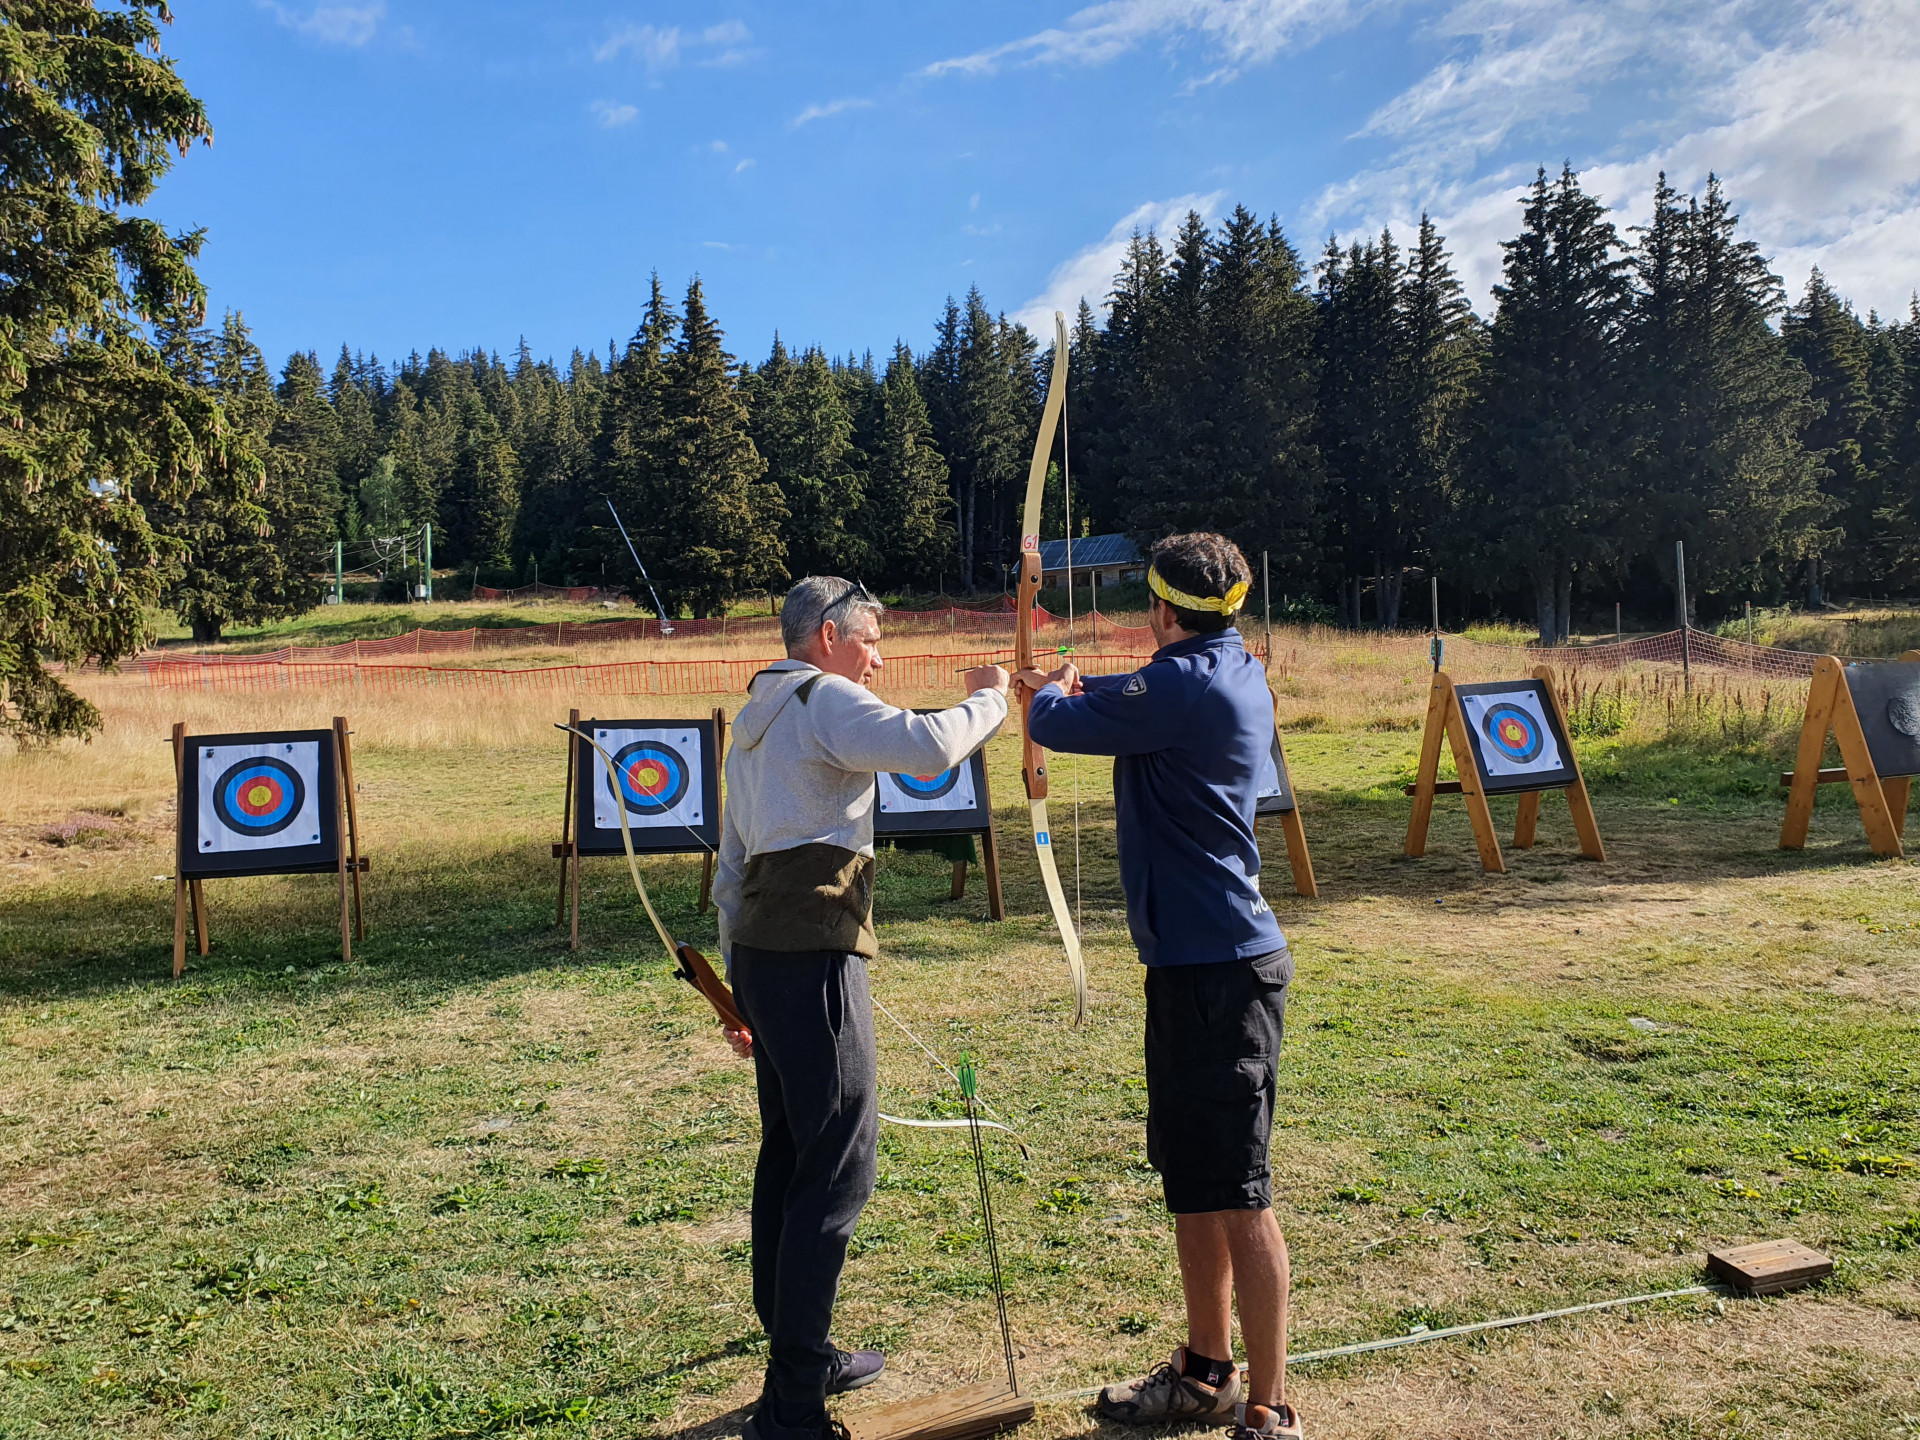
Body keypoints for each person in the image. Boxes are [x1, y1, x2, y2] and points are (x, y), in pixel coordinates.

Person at [1016, 533, 1303, 1440]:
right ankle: (1205, 1369)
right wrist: (1063, 686)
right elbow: (1114, 698)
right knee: (1193, 1178)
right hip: (1192, 965)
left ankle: (1270, 1406)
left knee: (1239, 1190)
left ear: (1160, 609)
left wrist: (1043, 696)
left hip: (1223, 969)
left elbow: (1059, 723)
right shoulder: (1224, 668)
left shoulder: (1185, 685)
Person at [714, 576, 1010, 1440]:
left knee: (794, 1152)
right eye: (872, 640)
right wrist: (989, 701)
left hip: (770, 958)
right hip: (810, 957)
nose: (879, 657)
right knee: (838, 1168)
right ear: (829, 635)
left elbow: (733, 865)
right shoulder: (822, 695)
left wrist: (739, 985)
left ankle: (800, 1350)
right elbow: (924, 748)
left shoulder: (760, 709)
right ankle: (795, 1405)